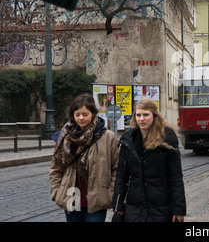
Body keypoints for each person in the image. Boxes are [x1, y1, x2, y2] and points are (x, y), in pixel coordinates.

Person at [112, 98, 186, 222]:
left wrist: (179, 209)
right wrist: (117, 205)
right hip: (134, 206)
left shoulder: (167, 138)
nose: (141, 119)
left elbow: (175, 177)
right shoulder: (128, 139)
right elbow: (121, 176)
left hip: (161, 206)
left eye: (146, 115)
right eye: (138, 115)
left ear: (154, 115)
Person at [49, 93, 119, 222]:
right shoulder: (65, 137)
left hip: (97, 198)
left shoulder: (108, 137)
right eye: (77, 115)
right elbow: (56, 168)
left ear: (93, 113)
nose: (81, 118)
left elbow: (116, 168)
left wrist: (110, 193)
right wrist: (57, 191)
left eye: (85, 114)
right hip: (71, 196)